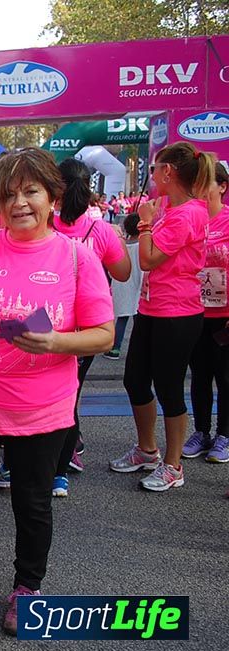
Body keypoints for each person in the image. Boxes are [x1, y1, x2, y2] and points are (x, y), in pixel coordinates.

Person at [0, 147, 114, 634]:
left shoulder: (77, 257)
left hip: (41, 411)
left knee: (31, 501)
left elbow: (104, 333)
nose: (19, 203)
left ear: (53, 196)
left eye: (30, 191)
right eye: (8, 194)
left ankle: (27, 587)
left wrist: (56, 341)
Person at [110, 142, 214, 491]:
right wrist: (149, 220)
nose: (151, 175)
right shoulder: (168, 206)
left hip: (179, 312)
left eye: (154, 169)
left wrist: (145, 225)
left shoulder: (190, 213)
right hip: (151, 308)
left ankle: (174, 465)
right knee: (135, 380)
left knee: (169, 388)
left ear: (168, 172)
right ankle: (147, 449)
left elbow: (149, 259)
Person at [48, 158, 131, 496]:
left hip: (61, 327)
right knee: (68, 392)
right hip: (84, 329)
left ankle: (58, 464)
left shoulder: (43, 225)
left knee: (62, 394)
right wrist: (120, 243)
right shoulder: (102, 231)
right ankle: (60, 459)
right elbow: (124, 272)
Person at [182, 162, 229, 462]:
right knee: (199, 376)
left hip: (224, 314)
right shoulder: (194, 219)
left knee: (225, 377)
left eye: (205, 184)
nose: (199, 190)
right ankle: (202, 431)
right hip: (194, 311)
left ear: (222, 187)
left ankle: (224, 435)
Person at [105, 213, 144, 359]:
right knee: (138, 319)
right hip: (138, 286)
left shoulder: (120, 246)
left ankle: (115, 348)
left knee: (122, 318)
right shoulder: (144, 245)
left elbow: (111, 268)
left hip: (122, 286)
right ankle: (140, 349)